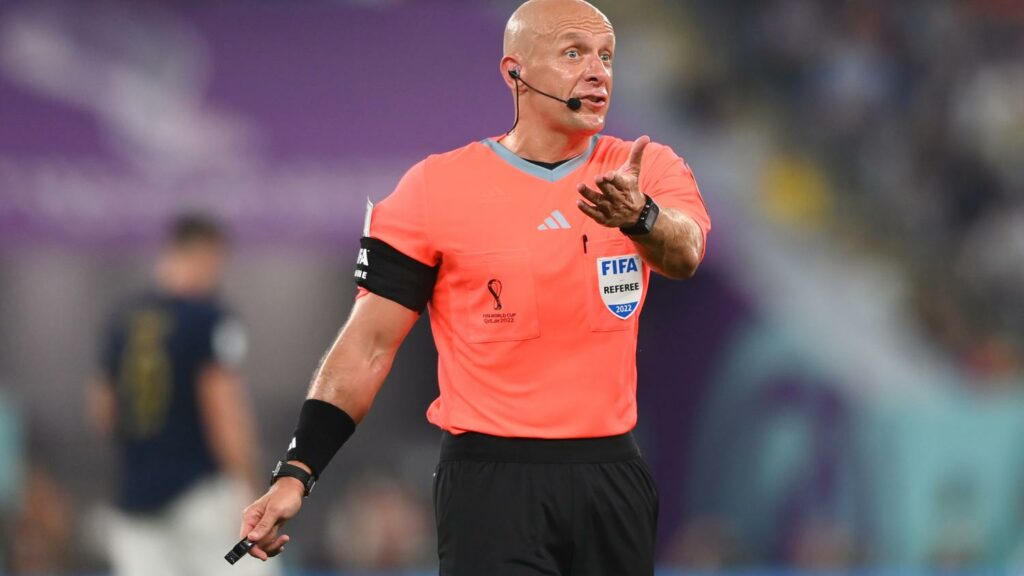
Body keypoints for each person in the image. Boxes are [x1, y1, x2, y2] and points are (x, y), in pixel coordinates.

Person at [239, 0, 711, 574]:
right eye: (573, 53)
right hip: (491, 481)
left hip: (611, 475)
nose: (597, 72)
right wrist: (296, 473)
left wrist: (641, 217)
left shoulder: (643, 170)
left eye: (606, 57)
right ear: (515, 71)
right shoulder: (435, 189)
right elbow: (368, 346)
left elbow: (685, 252)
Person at [90, 213, 274, 576]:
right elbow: (222, 408)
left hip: (135, 497)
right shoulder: (208, 318)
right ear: (205, 254)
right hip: (200, 494)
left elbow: (103, 411)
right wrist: (249, 484)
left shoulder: (123, 318)